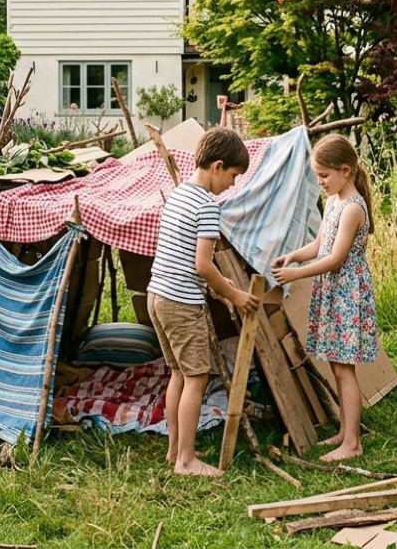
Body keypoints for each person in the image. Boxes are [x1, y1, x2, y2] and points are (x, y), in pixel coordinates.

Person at [147, 127, 261, 477]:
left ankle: (173, 451)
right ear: (217, 166)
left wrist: (222, 285)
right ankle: (186, 460)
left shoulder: (180, 194)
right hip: (181, 302)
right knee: (196, 378)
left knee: (178, 375)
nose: (232, 183)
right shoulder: (208, 206)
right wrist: (235, 294)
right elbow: (202, 265)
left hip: (157, 295)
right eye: (232, 176)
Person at [273, 134, 378, 462]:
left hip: (347, 293)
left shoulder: (352, 208)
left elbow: (335, 259)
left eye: (324, 175)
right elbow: (319, 246)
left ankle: (353, 444)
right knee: (337, 366)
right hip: (333, 291)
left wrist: (295, 275)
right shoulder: (334, 202)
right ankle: (345, 433)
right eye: (317, 175)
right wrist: (293, 257)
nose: (320, 182)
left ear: (345, 171)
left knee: (345, 369)